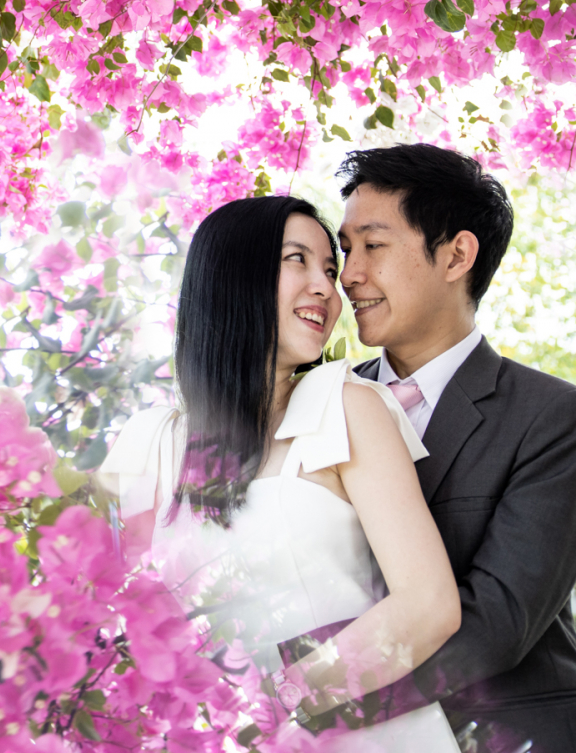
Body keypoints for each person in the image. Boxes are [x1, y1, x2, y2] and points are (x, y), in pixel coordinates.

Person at [99, 194, 464, 749]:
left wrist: (278, 702)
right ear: (231, 277)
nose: (326, 287)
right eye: (298, 260)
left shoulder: (344, 406)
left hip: (355, 734)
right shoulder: (149, 441)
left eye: (329, 270)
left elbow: (428, 605)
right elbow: (125, 613)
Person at [313, 144, 576, 752]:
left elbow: (494, 623)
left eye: (373, 245)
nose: (348, 275)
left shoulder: (557, 418)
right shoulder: (317, 403)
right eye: (346, 250)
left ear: (456, 255)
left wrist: (304, 695)